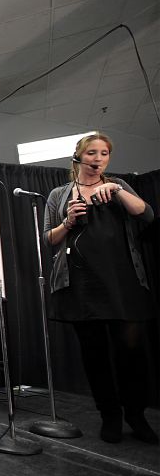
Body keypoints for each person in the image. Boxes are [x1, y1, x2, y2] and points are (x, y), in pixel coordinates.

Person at [43, 132, 157, 445]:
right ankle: (110, 417)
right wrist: (67, 222)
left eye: (104, 153)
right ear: (78, 157)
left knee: (131, 355)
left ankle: (136, 415)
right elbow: (48, 240)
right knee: (95, 357)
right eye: (92, 152)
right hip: (81, 288)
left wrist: (117, 189)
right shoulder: (59, 194)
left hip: (124, 286)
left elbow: (146, 214)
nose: (98, 159)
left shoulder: (119, 186)